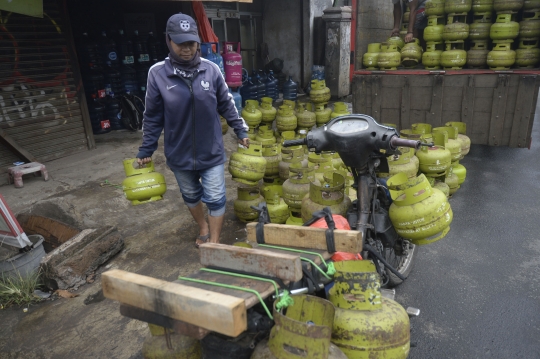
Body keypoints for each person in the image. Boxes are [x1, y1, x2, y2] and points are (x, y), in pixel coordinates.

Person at [136, 13, 249, 248]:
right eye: (181, 43)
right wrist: (147, 147)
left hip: (211, 149)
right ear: (168, 41)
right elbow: (153, 116)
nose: (187, 49)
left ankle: (214, 243)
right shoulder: (157, 74)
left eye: (191, 43)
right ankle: (203, 227)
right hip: (179, 152)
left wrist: (240, 129)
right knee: (190, 195)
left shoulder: (211, 70)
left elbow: (227, 103)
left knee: (217, 197)